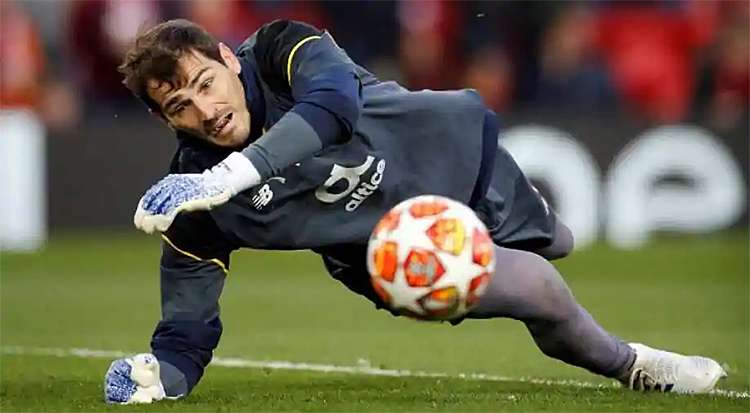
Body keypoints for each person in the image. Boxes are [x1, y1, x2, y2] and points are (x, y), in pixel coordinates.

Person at [104, 19, 726, 404]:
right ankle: (634, 365)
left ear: (228, 58)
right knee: (540, 289)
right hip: (392, 249)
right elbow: (186, 328)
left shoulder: (278, 49)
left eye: (206, 83)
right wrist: (162, 376)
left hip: (446, 156)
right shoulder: (193, 198)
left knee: (557, 242)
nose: (206, 110)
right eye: (181, 107)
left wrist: (233, 173)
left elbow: (333, 107)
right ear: (165, 121)